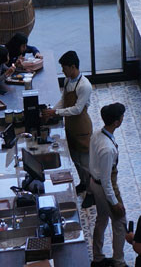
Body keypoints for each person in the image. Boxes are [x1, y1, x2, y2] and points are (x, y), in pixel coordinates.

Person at [45, 50, 93, 191]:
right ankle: (83, 184)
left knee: (85, 163)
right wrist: (52, 111)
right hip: (71, 126)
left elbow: (77, 109)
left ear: (73, 67)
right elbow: (64, 100)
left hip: (82, 127)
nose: (63, 71)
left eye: (64, 68)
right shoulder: (67, 80)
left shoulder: (84, 85)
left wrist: (56, 112)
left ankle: (91, 193)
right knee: (75, 159)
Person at [89, 101, 127, 267]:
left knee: (102, 218)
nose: (123, 118)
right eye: (121, 117)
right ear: (116, 122)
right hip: (104, 186)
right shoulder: (107, 149)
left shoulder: (98, 134)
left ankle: (97, 258)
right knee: (120, 222)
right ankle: (118, 262)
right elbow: (106, 181)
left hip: (94, 183)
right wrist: (115, 202)